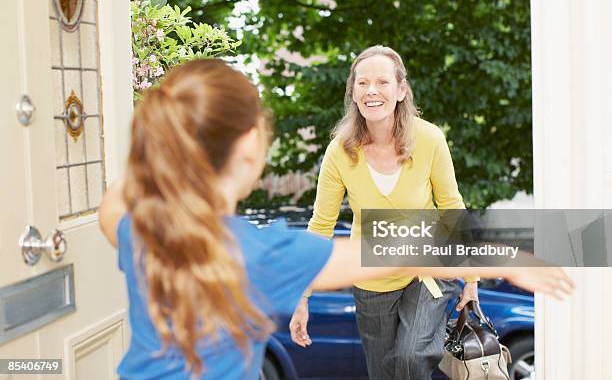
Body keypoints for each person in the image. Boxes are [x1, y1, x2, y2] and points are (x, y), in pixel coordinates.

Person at [99, 59, 573, 380]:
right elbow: (398, 248)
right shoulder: (257, 254)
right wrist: (507, 256)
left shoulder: (144, 232)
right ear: (248, 150)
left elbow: (111, 207)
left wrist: (156, 152)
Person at [289, 45, 484, 379]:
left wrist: (471, 277)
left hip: (427, 271)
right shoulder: (340, 152)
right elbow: (321, 224)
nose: (372, 91)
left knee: (409, 358)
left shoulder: (429, 139)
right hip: (372, 281)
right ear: (353, 91)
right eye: (362, 83)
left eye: (382, 82)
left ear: (401, 90)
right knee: (383, 373)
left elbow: (452, 205)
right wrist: (302, 296)